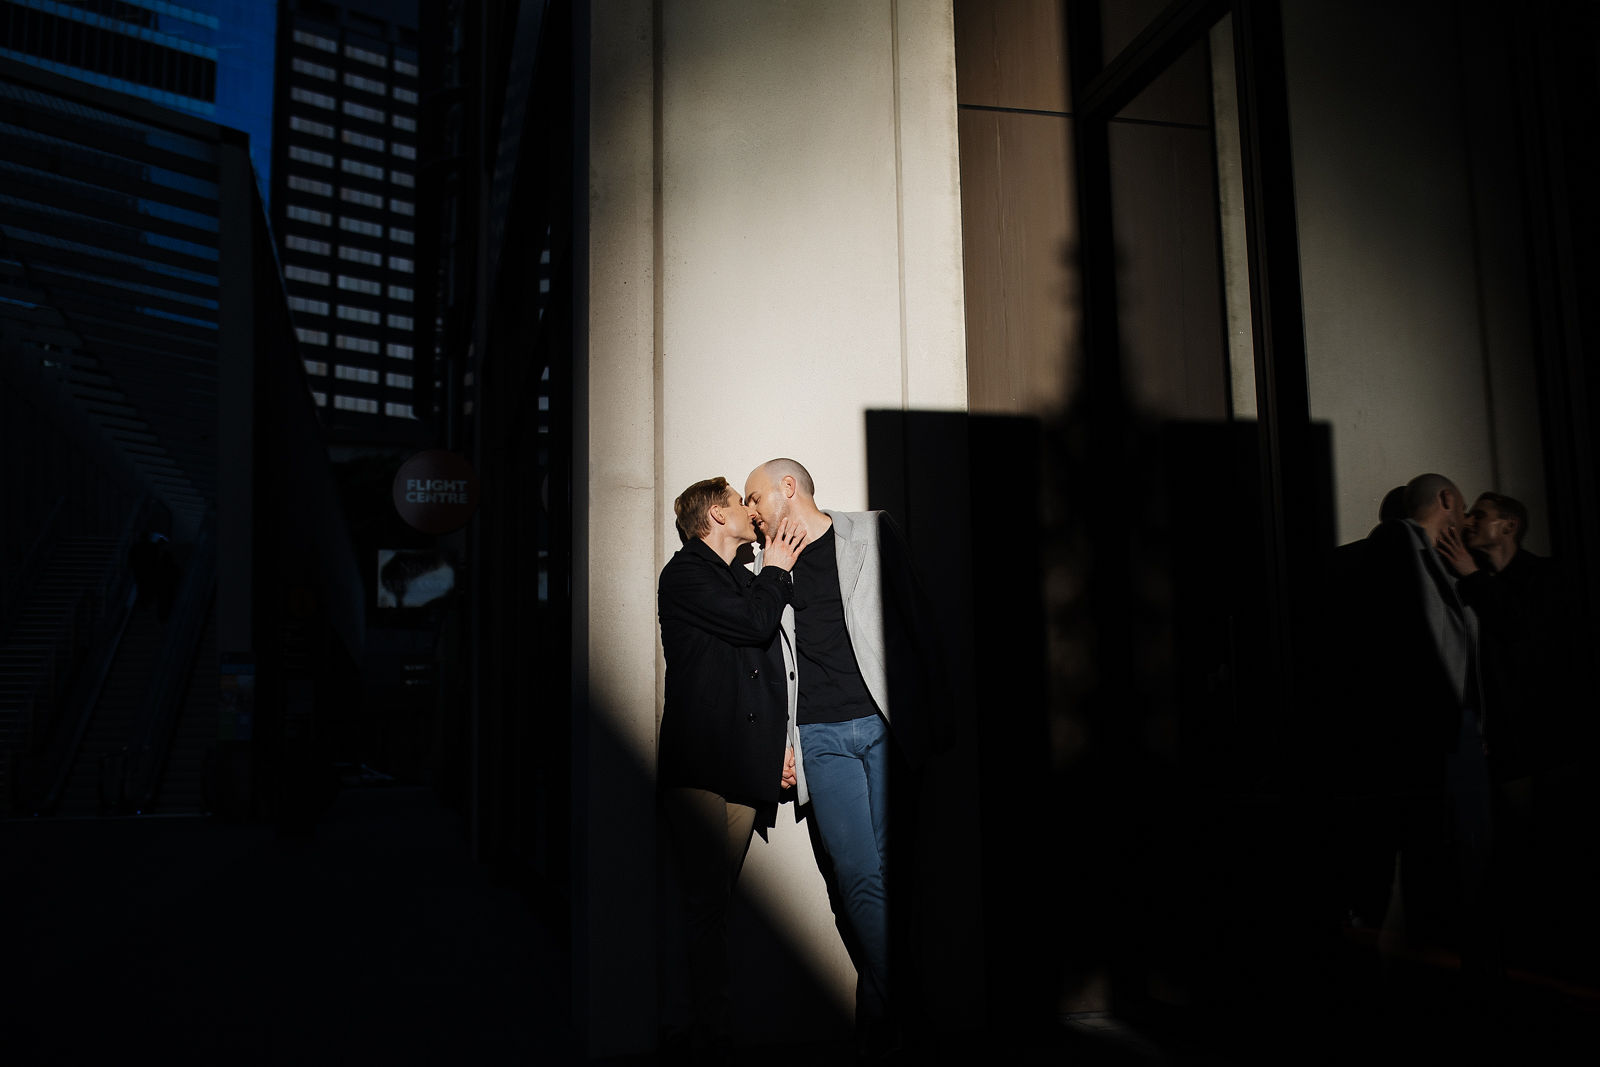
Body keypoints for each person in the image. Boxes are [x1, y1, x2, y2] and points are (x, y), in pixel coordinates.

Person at [743, 458, 949, 1059]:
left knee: (896, 877)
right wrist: (778, 741)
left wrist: (938, 715)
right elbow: (764, 664)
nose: (751, 512)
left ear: (787, 488)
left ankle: (880, 1018)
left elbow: (919, 621)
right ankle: (911, 1015)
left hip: (885, 726)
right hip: (819, 737)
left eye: (754, 497)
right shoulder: (767, 566)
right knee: (856, 875)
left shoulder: (871, 531)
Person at [656, 476, 807, 1057]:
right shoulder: (685, 575)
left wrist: (778, 748)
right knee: (703, 902)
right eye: (740, 503)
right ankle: (701, 1030)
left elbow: (768, 672)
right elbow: (753, 624)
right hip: (699, 764)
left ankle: (705, 1025)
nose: (750, 511)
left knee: (716, 903)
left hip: (745, 765)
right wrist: (777, 568)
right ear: (717, 516)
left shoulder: (746, 580)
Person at [1326, 473, 1493, 979]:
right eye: (1463, 509)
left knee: (1413, 882)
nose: (1466, 521)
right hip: (1412, 753)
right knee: (1410, 880)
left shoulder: (1448, 569)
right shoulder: (1389, 556)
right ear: (1446, 499)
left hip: (1419, 752)